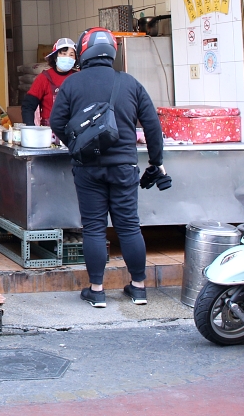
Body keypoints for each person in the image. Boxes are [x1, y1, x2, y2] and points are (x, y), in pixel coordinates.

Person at [49, 28, 165, 308]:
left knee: (94, 229)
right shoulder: (130, 83)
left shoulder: (72, 85)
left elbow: (56, 122)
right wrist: (156, 162)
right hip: (124, 166)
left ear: (84, 51)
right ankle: (138, 288)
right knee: (128, 226)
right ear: (112, 50)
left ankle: (97, 290)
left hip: (88, 168)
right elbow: (152, 126)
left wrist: (76, 144)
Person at [21, 38, 78, 127]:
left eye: (71, 55)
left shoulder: (78, 77)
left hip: (74, 129)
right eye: (63, 54)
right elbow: (28, 106)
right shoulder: (44, 78)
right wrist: (30, 127)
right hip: (49, 132)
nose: (68, 58)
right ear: (55, 57)